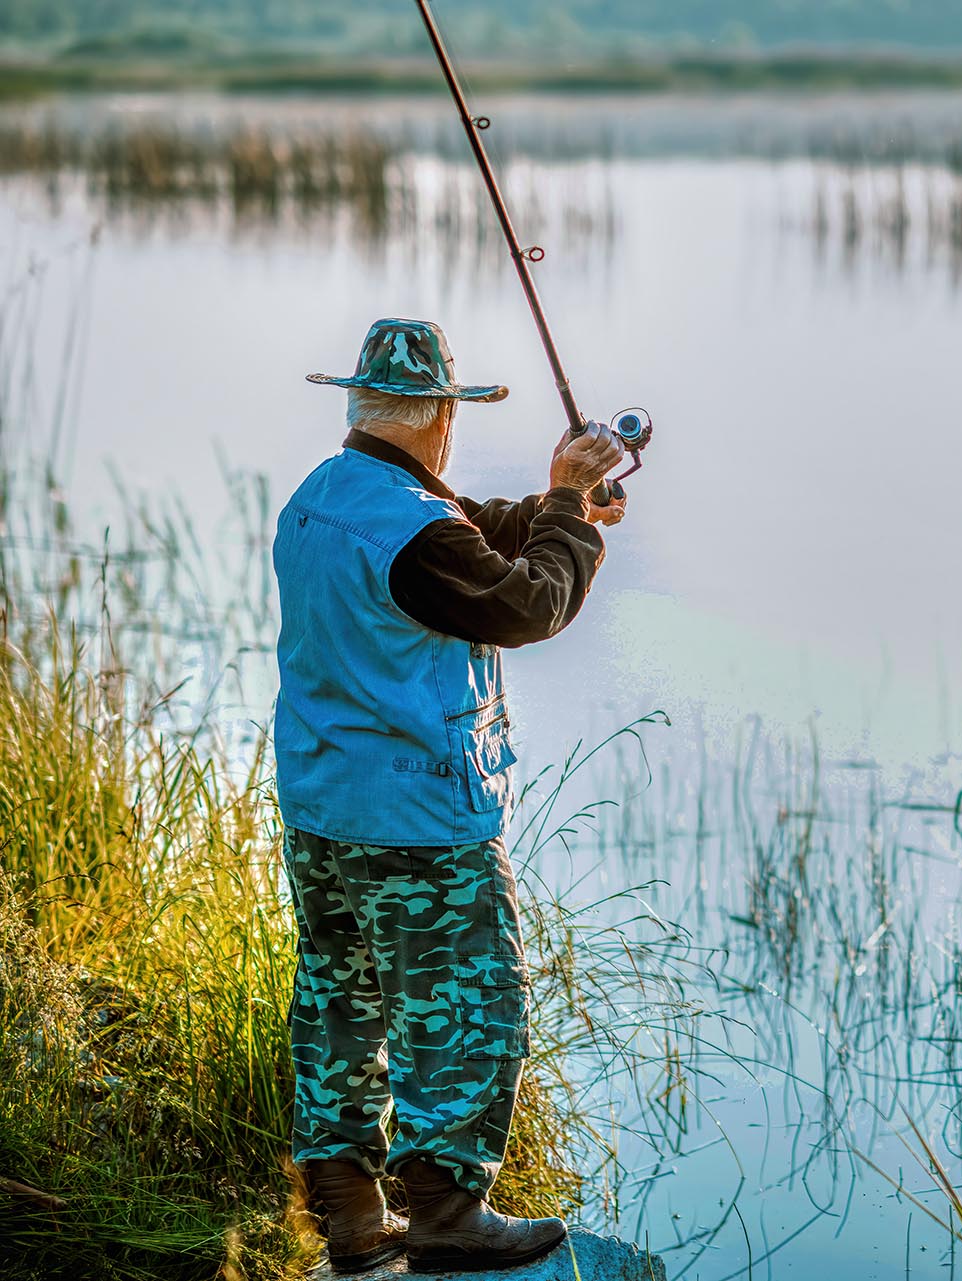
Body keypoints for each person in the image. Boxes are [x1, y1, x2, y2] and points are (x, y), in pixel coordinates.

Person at [273, 317, 626, 1274]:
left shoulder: (327, 493)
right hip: (417, 818)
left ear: (361, 405)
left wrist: (567, 509)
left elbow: (464, 530)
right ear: (440, 417)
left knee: (339, 996)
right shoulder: (417, 533)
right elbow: (524, 605)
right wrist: (563, 506)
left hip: (319, 808)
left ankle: (347, 1212)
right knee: (472, 1000)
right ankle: (442, 1210)